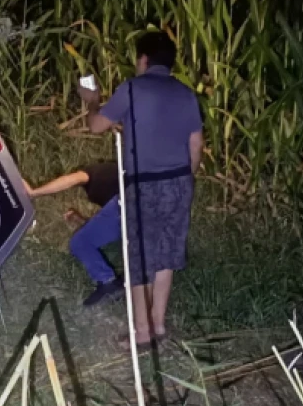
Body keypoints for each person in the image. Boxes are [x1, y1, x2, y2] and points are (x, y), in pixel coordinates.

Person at [82, 31, 204, 349]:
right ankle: (159, 324)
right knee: (166, 255)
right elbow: (196, 144)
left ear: (144, 59)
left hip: (144, 184)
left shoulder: (133, 89)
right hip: (179, 181)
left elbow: (96, 126)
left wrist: (91, 101)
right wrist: (184, 181)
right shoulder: (186, 94)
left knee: (138, 256)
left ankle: (141, 332)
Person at [24, 163, 125, 306]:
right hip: (143, 209)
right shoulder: (117, 174)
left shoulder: (95, 171)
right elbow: (106, 224)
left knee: (79, 242)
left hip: (126, 203)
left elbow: (72, 179)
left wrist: (35, 193)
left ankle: (108, 281)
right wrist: (82, 221)